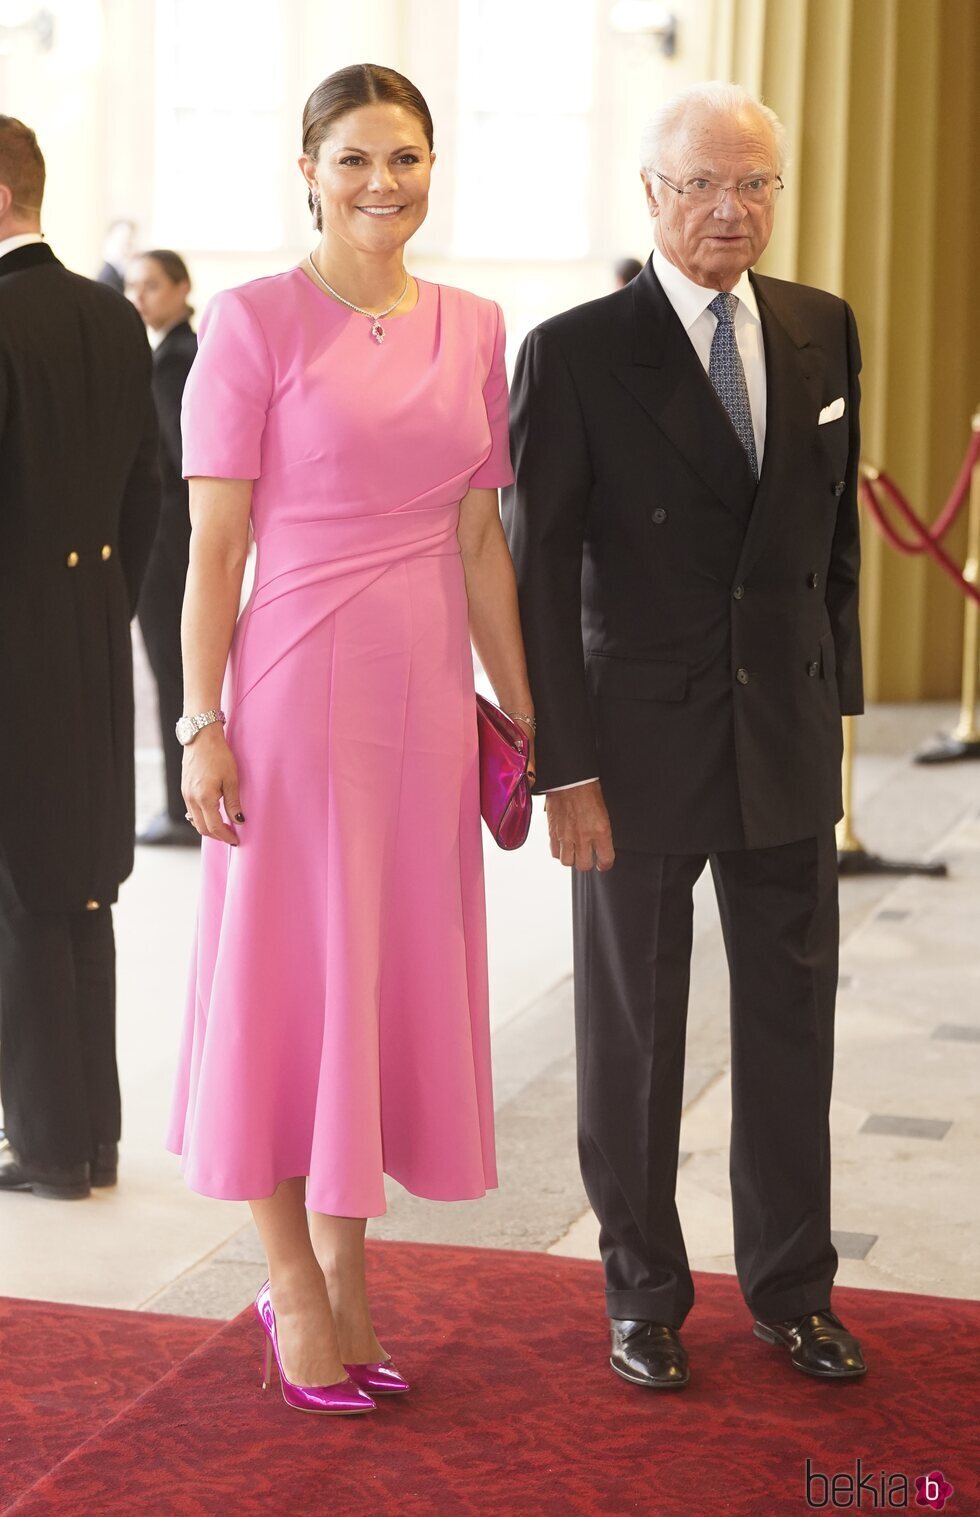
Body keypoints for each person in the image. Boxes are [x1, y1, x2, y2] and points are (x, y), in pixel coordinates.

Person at [166, 64, 534, 1414]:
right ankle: (295, 1284)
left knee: (370, 986)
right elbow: (212, 549)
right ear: (308, 167)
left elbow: (483, 541)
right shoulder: (253, 323)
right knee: (285, 983)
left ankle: (350, 1271)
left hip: (426, 702)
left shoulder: (477, 325)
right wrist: (201, 724)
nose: (387, 182)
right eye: (358, 157)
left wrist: (531, 717)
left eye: (409, 157)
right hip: (295, 692)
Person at [504, 81, 867, 1390]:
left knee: (792, 1024)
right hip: (636, 754)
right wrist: (568, 768)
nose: (733, 208)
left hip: (780, 739)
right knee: (635, 1032)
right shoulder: (578, 350)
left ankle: (792, 1288)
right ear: (651, 195)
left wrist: (836, 721)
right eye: (705, 183)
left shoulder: (823, 331)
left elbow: (834, 551)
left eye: (756, 184)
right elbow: (539, 574)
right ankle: (643, 1295)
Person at [0, 118, 159, 1200]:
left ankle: (49, 1141)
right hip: (91, 629)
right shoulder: (113, 313)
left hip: (10, 645)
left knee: (20, 892)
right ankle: (87, 1133)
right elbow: (149, 490)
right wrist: (99, 600)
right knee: (80, 884)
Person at [127, 250, 200, 846]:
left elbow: (179, 460)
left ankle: (182, 809)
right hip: (177, 536)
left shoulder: (174, 361)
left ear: (182, 289)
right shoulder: (171, 353)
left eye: (151, 285)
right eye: (132, 285)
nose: (139, 296)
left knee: (171, 665)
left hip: (166, 538)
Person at [96, 217, 136, 293]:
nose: (129, 247)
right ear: (109, 241)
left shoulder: (122, 273)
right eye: (124, 241)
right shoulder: (107, 277)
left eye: (130, 242)